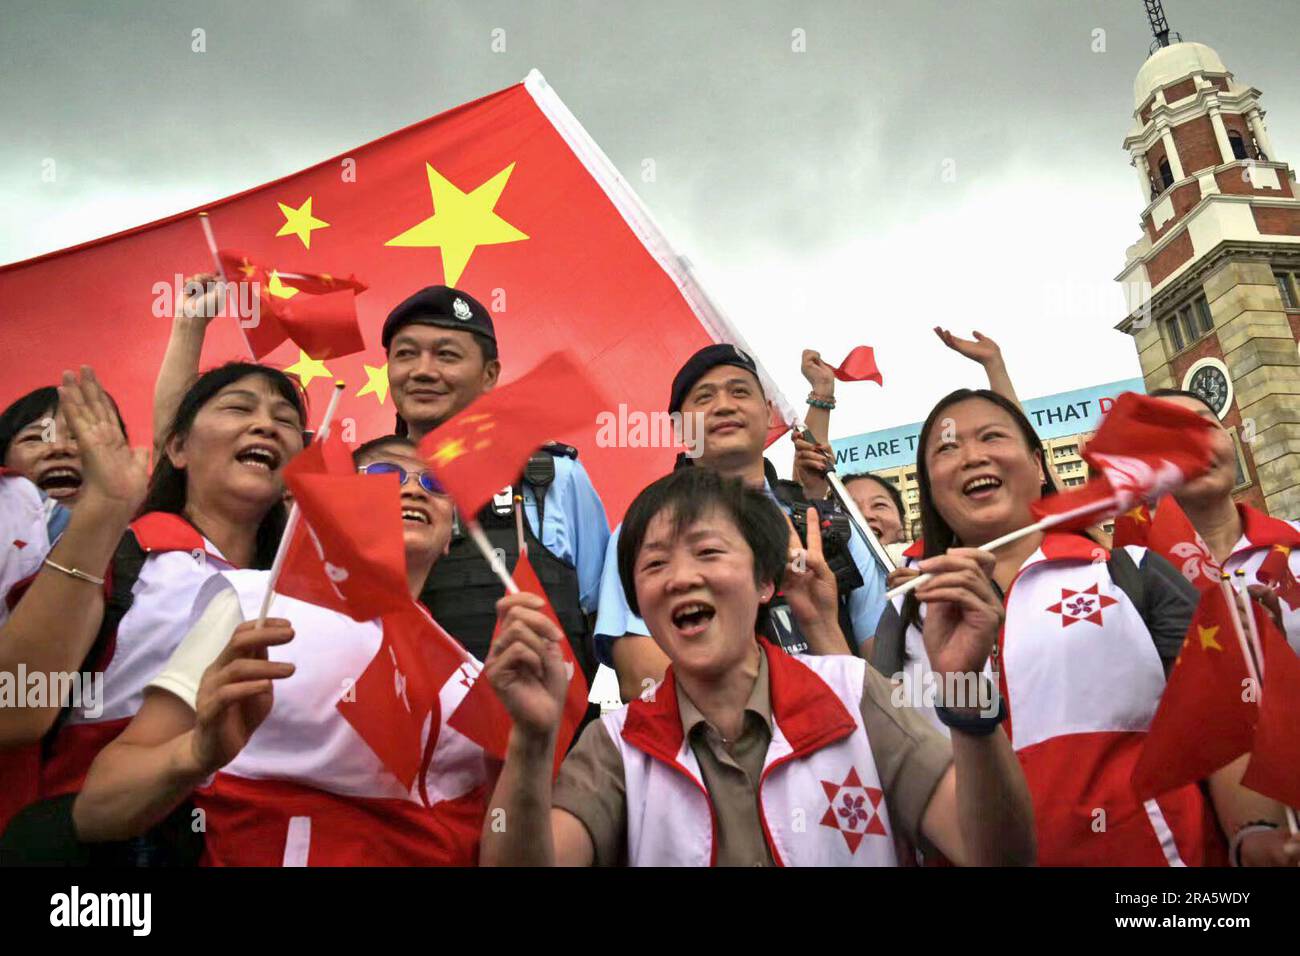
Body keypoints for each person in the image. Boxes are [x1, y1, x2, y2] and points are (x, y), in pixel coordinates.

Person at [479, 466, 1036, 866]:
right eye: (654, 563)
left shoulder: (852, 694)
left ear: (766, 582)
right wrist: (530, 740)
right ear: (638, 603)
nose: (680, 578)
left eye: (708, 551)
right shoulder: (616, 745)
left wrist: (970, 697)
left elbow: (997, 853)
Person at [867, 387, 1298, 866]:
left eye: (992, 437)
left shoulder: (1132, 572)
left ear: (1038, 465)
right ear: (928, 487)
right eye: (947, 449)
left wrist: (1253, 834)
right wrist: (963, 683)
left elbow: (1216, 725)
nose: (971, 456)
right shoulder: (906, 615)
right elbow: (903, 773)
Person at [73, 436, 489, 865]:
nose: (415, 488)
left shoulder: (472, 676)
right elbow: (97, 810)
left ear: (447, 538)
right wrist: (197, 753)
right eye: (386, 474)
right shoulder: (258, 607)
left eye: (436, 483)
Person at [0, 362, 306, 864]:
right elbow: (13, 708)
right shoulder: (123, 552)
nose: (265, 425)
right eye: (238, 407)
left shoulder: (306, 596)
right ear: (178, 449)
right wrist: (103, 510)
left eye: (285, 420)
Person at [595, 344, 890, 702]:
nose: (724, 405)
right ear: (678, 428)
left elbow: (882, 659)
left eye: (739, 391)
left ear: (768, 414)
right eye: (704, 397)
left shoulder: (824, 524)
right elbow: (643, 677)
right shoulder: (646, 531)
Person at [380, 286, 610, 678]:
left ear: (489, 375)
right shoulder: (363, 481)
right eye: (405, 354)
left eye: (446, 355)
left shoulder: (554, 478)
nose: (422, 370)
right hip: (407, 729)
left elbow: (603, 617)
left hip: (546, 728)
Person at [0, 369, 149, 833]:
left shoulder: (157, 557)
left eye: (83, 437)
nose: (61, 447)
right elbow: (19, 703)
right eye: (34, 437)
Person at [1148, 388, 1300, 654]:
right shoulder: (1128, 583)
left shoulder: (1294, 544)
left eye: (1205, 426)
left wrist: (1278, 657)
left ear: (1231, 441)